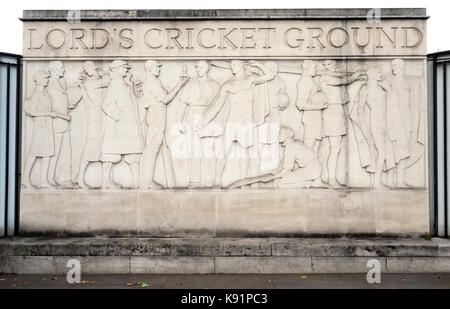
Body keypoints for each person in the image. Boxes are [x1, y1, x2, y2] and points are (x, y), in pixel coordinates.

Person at [201, 60, 275, 185]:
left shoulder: (250, 80)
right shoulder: (228, 85)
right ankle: (217, 180)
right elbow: (217, 106)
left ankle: (242, 182)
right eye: (231, 65)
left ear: (241, 65)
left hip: (246, 122)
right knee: (222, 151)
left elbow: (270, 76)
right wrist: (204, 122)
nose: (232, 67)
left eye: (234, 64)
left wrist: (257, 64)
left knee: (244, 153)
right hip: (232, 122)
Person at [139, 60, 189, 188]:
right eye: (157, 67)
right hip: (156, 113)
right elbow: (166, 99)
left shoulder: (154, 81)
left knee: (153, 147)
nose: (159, 69)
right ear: (150, 68)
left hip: (157, 113)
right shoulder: (151, 82)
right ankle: (146, 182)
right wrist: (180, 84)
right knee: (152, 148)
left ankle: (147, 180)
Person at [319, 60, 364, 188]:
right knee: (334, 148)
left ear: (335, 65)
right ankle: (331, 179)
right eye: (325, 65)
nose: (327, 67)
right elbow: (343, 81)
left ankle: (326, 177)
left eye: (329, 65)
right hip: (332, 111)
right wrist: (357, 74)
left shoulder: (334, 74)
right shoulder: (325, 77)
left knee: (331, 148)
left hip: (336, 111)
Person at [22, 70, 70, 188]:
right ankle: (25, 179)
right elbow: (33, 111)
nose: (47, 80)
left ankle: (44, 181)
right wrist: (49, 114)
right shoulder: (36, 94)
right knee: (34, 153)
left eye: (47, 78)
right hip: (40, 126)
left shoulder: (45, 93)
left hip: (47, 125)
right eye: (45, 78)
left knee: (48, 153)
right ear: (38, 81)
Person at [100, 60, 144, 188]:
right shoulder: (115, 85)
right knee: (110, 154)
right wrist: (118, 115)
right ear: (118, 69)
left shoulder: (125, 84)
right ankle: (105, 182)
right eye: (124, 67)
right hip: (117, 126)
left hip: (129, 125)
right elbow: (106, 104)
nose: (126, 69)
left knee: (134, 153)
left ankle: (136, 182)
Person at [177, 60, 220, 187]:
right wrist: (180, 121)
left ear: (207, 68)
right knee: (193, 150)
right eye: (196, 67)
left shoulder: (214, 85)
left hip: (208, 116)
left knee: (208, 150)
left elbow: (219, 105)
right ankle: (194, 180)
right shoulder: (190, 84)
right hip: (192, 114)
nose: (198, 69)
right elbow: (183, 104)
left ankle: (209, 181)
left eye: (200, 67)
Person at [75, 61, 111, 188]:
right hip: (95, 118)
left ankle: (106, 181)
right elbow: (107, 81)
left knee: (107, 148)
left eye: (90, 67)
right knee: (91, 147)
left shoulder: (95, 82)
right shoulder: (89, 83)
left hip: (104, 116)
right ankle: (79, 178)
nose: (88, 70)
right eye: (86, 68)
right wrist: (104, 73)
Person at [46, 61, 77, 188]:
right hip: (56, 123)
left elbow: (60, 102)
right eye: (61, 67)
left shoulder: (61, 83)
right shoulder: (49, 84)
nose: (63, 70)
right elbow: (48, 105)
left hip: (64, 123)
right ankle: (49, 178)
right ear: (53, 69)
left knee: (65, 153)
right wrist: (63, 114)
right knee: (54, 153)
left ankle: (64, 180)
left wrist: (68, 107)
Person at [296, 60, 328, 152]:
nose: (316, 69)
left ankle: (313, 166)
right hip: (310, 118)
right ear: (307, 69)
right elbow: (300, 105)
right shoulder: (305, 82)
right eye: (314, 67)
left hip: (316, 117)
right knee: (308, 147)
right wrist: (319, 107)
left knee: (315, 147)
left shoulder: (310, 81)